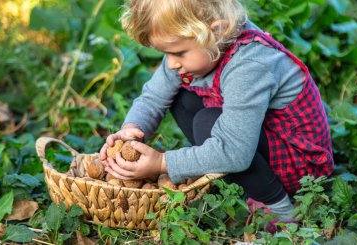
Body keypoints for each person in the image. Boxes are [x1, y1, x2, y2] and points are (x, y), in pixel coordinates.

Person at [99, 0, 334, 223]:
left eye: (179, 53)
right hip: (256, 143)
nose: (170, 63)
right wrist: (132, 130)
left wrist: (163, 163)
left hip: (299, 165)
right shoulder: (201, 46)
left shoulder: (250, 64)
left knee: (207, 124)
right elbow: (153, 98)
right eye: (166, 53)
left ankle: (281, 210)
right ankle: (236, 179)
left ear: (217, 31)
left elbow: (234, 150)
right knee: (181, 97)